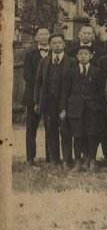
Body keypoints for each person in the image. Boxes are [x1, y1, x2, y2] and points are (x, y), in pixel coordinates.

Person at [34, 33, 75, 166]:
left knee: (65, 131)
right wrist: (37, 102)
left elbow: (74, 85)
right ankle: (54, 160)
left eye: (59, 43)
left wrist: (67, 106)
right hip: (48, 103)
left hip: (65, 103)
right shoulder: (44, 61)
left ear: (64, 45)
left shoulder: (72, 62)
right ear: (50, 45)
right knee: (51, 131)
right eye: (54, 43)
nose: (57, 45)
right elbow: (38, 83)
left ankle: (67, 161)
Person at [62, 45, 104, 170]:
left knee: (92, 134)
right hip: (75, 108)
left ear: (91, 56)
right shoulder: (71, 72)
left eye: (86, 54)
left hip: (92, 108)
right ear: (77, 57)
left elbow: (101, 92)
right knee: (77, 134)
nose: (83, 56)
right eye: (80, 54)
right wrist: (63, 108)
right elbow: (65, 92)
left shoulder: (97, 72)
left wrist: (99, 108)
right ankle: (78, 161)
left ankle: (91, 160)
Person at [22, 26, 51, 166]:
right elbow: (27, 76)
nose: (44, 36)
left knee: (51, 127)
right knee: (31, 128)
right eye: (41, 34)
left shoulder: (55, 52)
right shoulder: (30, 54)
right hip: (33, 96)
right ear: (36, 37)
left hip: (51, 97)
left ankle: (51, 157)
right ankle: (30, 157)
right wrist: (39, 92)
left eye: (46, 34)